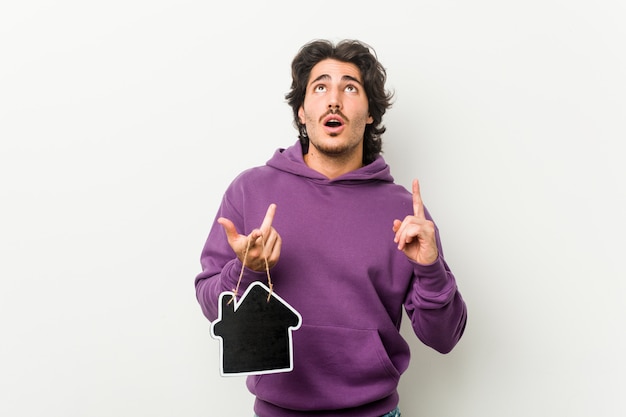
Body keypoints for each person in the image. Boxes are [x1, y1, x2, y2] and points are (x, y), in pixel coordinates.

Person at [194, 38, 467, 417]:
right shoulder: (250, 190)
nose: (334, 99)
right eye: (320, 86)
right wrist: (246, 269)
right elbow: (211, 307)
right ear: (302, 111)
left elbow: (444, 338)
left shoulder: (405, 212)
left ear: (370, 113)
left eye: (350, 87)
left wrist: (430, 269)